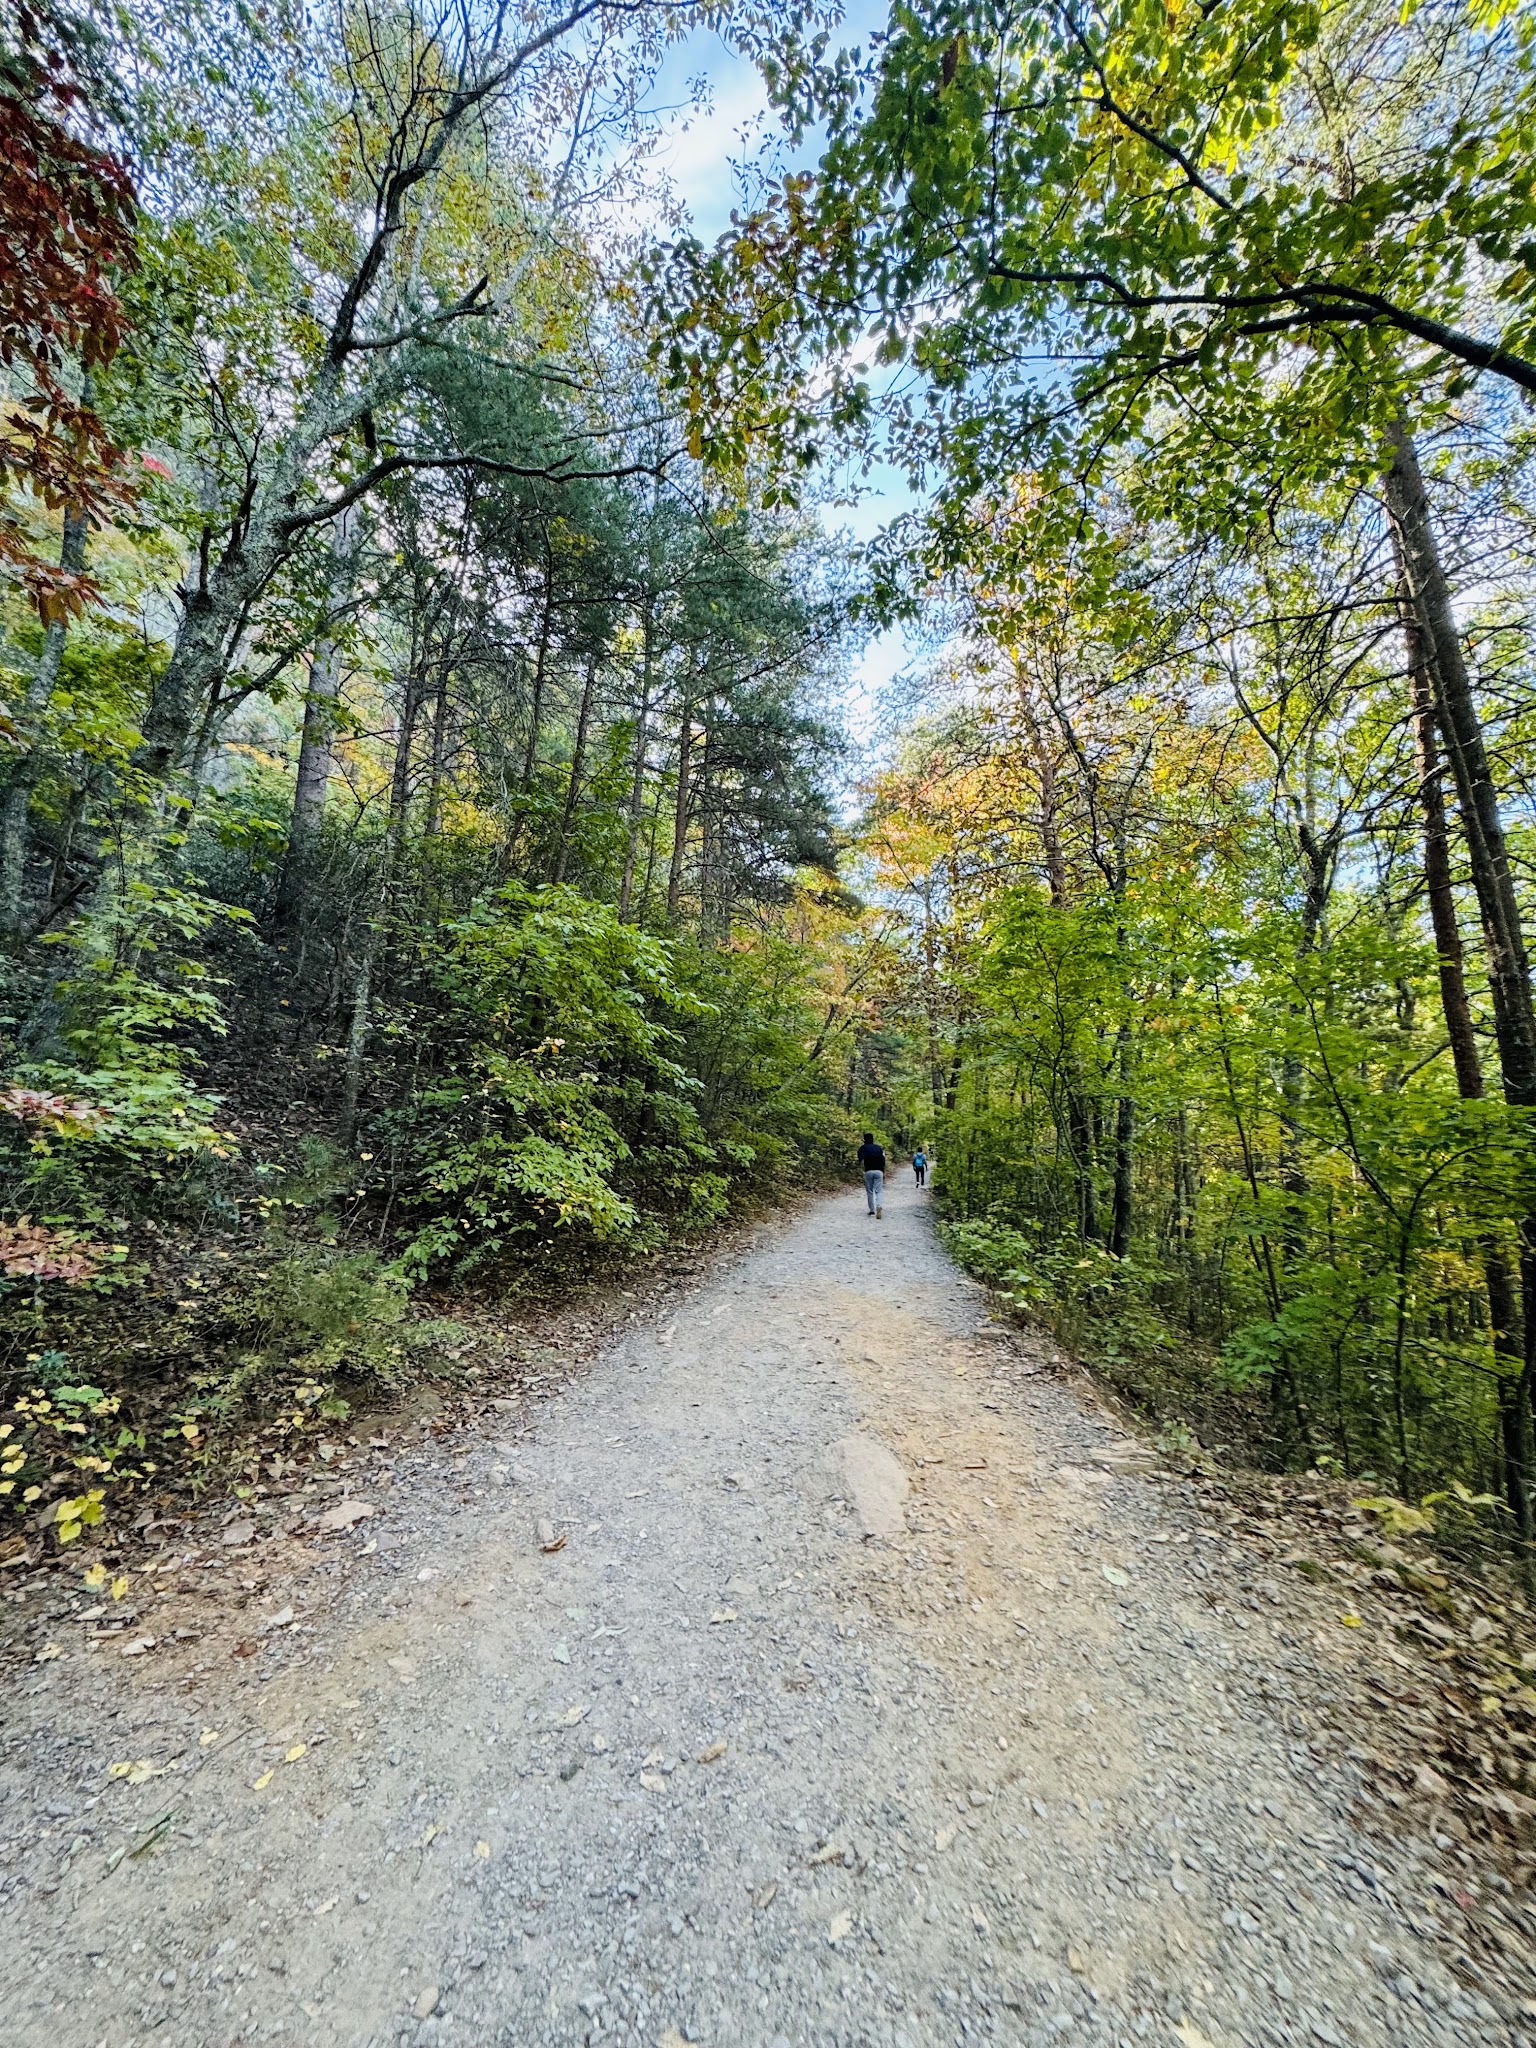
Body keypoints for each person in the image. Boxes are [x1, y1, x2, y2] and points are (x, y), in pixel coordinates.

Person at [857, 1131, 886, 1219]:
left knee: (869, 1191)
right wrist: (883, 1172)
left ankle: (872, 1211)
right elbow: (883, 1160)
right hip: (879, 1171)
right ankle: (879, 1205)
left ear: (864, 1139)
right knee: (879, 1190)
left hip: (868, 1171)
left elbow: (860, 1159)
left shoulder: (863, 1148)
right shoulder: (879, 1148)